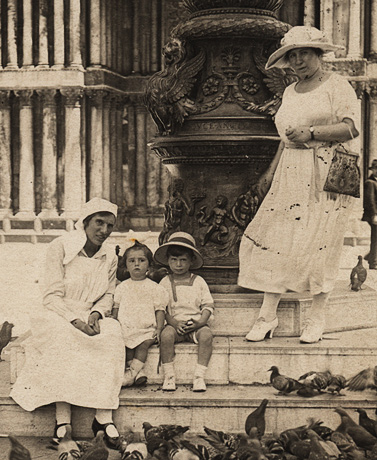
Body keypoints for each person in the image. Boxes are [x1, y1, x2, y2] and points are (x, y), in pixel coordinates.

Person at [238, 26, 360, 344]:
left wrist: (312, 133)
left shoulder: (338, 85)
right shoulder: (290, 91)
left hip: (323, 173)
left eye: (304, 53)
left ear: (318, 54)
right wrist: (268, 176)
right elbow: (284, 140)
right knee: (276, 240)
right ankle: (267, 315)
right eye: (292, 55)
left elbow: (351, 129)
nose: (298, 61)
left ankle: (316, 317)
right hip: (290, 173)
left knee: (321, 244)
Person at [10, 197, 125, 449]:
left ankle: (103, 418)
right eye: (99, 222)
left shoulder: (109, 255)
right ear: (84, 222)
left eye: (110, 225)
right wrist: (75, 321)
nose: (104, 231)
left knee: (112, 333)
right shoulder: (60, 246)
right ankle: (63, 421)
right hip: (58, 312)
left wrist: (96, 315)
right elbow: (51, 295)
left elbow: (108, 293)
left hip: (89, 313)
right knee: (63, 337)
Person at [155, 232, 214, 392]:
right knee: (166, 335)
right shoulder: (165, 282)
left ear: (191, 261)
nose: (178, 265)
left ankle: (199, 376)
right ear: (168, 261)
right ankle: (169, 375)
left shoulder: (198, 281)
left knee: (207, 335)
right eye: (174, 260)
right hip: (175, 326)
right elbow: (161, 307)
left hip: (196, 323)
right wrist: (173, 322)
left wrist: (201, 322)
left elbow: (208, 305)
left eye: (183, 260)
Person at [112, 241, 168, 387]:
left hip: (147, 328)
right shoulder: (122, 287)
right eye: (132, 261)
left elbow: (160, 309)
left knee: (142, 345)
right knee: (127, 347)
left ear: (149, 265)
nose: (137, 264)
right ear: (126, 266)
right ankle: (139, 373)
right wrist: (114, 322)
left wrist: (159, 328)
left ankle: (131, 374)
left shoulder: (155, 288)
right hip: (127, 327)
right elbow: (116, 308)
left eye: (141, 260)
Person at [362, 159, 377, 269]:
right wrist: (374, 215)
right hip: (374, 215)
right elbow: (370, 201)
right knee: (375, 238)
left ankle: (370, 256)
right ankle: (374, 263)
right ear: (374, 170)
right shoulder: (370, 183)